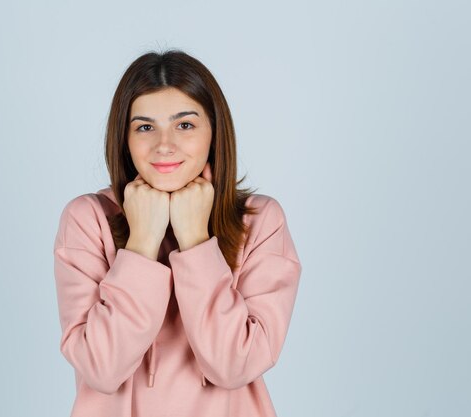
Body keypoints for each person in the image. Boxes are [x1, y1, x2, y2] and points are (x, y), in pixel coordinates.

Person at [52, 49, 302, 417]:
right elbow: (101, 369)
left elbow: (236, 365)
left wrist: (196, 240)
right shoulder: (88, 219)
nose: (164, 145)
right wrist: (141, 243)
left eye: (185, 125)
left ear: (214, 133)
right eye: (145, 127)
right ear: (124, 138)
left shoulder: (261, 221)